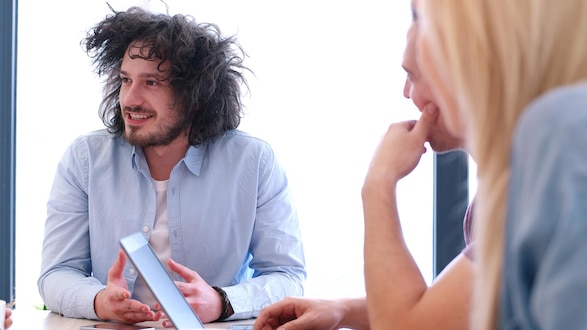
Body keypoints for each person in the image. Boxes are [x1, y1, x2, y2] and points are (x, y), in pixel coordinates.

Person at [38, 6, 306, 327]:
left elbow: (288, 276)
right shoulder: (85, 157)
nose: (130, 99)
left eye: (151, 82)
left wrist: (221, 301)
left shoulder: (254, 161)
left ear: (197, 96)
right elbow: (57, 273)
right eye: (125, 80)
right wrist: (99, 301)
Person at [253, 1, 472, 329]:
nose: (406, 92)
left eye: (413, 75)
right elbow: (445, 312)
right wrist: (341, 309)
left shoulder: (528, 200)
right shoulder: (505, 194)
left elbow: (408, 325)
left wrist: (379, 182)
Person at [417, 0, 587, 329]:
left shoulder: (565, 133)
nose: (424, 49)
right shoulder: (570, 136)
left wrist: (378, 186)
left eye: (431, 27)